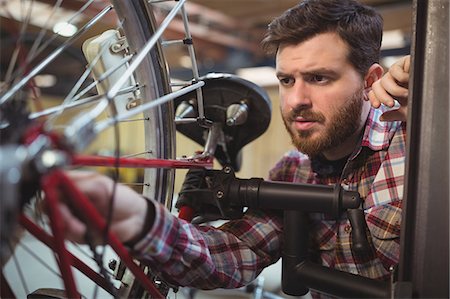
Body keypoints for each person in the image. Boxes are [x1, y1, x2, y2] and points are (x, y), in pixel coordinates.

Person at [59, 0, 411, 297]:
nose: (296, 100)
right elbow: (235, 254)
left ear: (370, 81)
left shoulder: (414, 148)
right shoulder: (293, 171)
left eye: (319, 78)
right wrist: (141, 220)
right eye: (287, 80)